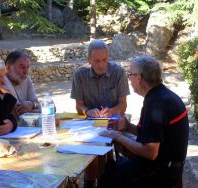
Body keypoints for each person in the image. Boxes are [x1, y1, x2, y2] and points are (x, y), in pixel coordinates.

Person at [99, 56, 189, 187]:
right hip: (167, 166)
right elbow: (153, 135)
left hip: (160, 173)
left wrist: (117, 136)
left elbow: (150, 152)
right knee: (111, 169)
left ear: (139, 78)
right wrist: (128, 126)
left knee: (108, 178)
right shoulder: (162, 95)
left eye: (130, 75)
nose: (129, 79)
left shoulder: (156, 104)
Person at [70, 39, 130, 117]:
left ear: (108, 58)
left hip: (113, 119)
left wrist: (111, 112)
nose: (101, 65)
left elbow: (123, 105)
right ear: (89, 60)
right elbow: (79, 106)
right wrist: (87, 111)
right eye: (97, 61)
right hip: (90, 122)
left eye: (104, 60)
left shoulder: (119, 73)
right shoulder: (80, 75)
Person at [5, 50, 41, 116]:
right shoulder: (3, 82)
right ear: (8, 68)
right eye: (22, 67)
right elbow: (18, 114)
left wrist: (33, 105)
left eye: (27, 67)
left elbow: (37, 104)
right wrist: (44, 109)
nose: (26, 72)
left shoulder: (26, 79)